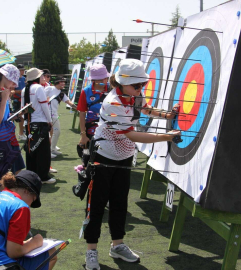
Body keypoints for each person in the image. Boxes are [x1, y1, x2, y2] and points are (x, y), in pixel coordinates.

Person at [83, 59, 181, 270]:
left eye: (142, 85)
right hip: (104, 157)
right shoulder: (113, 103)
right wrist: (167, 137)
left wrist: (167, 115)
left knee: (120, 202)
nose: (140, 89)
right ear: (122, 83)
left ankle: (117, 245)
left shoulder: (134, 95)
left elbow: (146, 109)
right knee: (97, 205)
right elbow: (133, 134)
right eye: (136, 85)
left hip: (124, 156)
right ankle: (91, 250)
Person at [0, 170, 57, 270]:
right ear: (26, 191)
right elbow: (13, 252)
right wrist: (36, 242)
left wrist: (26, 244)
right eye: (32, 201)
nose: (29, 205)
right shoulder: (20, 207)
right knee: (51, 253)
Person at [22, 68, 56, 184]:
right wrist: (49, 120)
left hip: (29, 123)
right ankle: (43, 176)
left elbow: (24, 108)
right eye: (41, 76)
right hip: (40, 123)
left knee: (31, 148)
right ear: (36, 77)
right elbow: (44, 106)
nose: (43, 77)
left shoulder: (24, 89)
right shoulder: (38, 88)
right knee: (43, 151)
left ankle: (31, 174)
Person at [76, 64, 110, 151]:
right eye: (100, 79)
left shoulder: (113, 89)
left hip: (110, 130)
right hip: (92, 129)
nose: (103, 80)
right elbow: (82, 114)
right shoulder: (86, 91)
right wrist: (83, 135)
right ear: (93, 79)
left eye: (105, 78)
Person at [45, 76, 77, 157]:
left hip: (54, 115)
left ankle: (52, 149)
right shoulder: (49, 89)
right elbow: (42, 98)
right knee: (47, 133)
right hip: (46, 114)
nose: (63, 84)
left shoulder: (62, 94)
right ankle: (48, 151)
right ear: (56, 82)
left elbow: (68, 102)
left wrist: (78, 108)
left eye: (64, 82)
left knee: (57, 132)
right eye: (61, 82)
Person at [12, 64, 27, 141]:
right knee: (19, 118)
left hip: (24, 100)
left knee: (24, 118)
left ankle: (22, 132)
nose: (22, 71)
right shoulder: (14, 79)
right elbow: (12, 91)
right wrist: (21, 91)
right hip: (17, 100)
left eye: (23, 69)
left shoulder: (24, 78)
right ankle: (20, 134)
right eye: (21, 70)